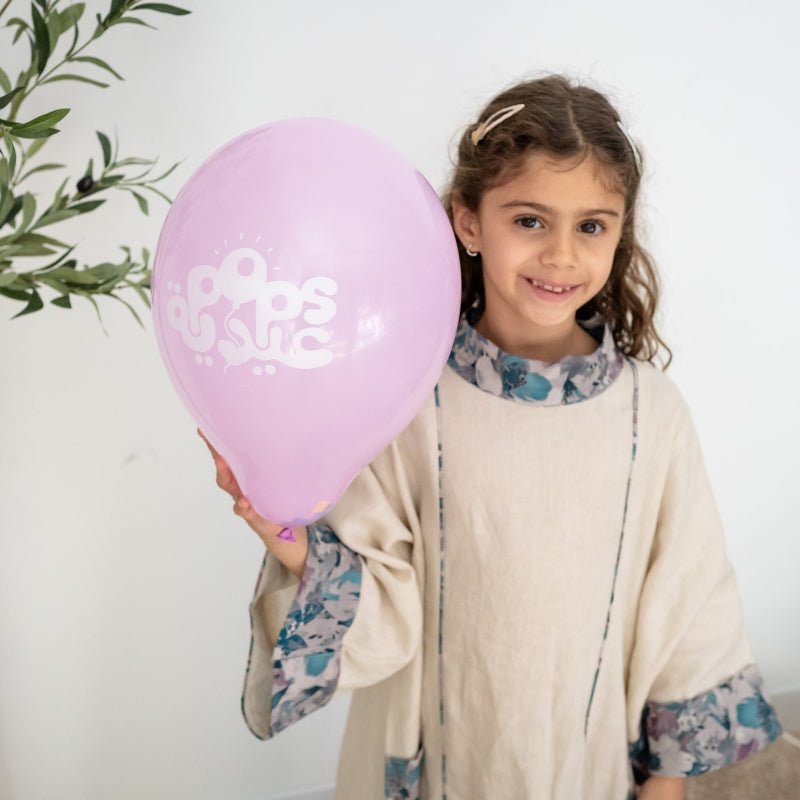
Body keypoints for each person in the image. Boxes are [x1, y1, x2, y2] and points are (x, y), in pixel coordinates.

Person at [200, 75, 782, 800]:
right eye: (530, 220)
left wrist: (666, 784)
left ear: (620, 232)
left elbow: (688, 607)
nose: (561, 256)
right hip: (430, 763)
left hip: (582, 766)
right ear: (468, 223)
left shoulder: (650, 414)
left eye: (591, 226)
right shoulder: (408, 399)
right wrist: (279, 528)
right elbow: (381, 599)